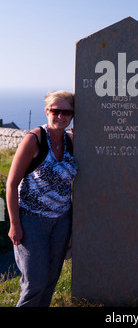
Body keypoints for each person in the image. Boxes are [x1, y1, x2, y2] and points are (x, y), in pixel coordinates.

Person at [6, 90, 78, 307]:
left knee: (49, 282)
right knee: (34, 284)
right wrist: (14, 224)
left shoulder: (71, 141)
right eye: (56, 111)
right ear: (47, 111)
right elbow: (10, 184)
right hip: (31, 220)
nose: (61, 116)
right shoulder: (34, 140)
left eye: (67, 112)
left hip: (61, 220)